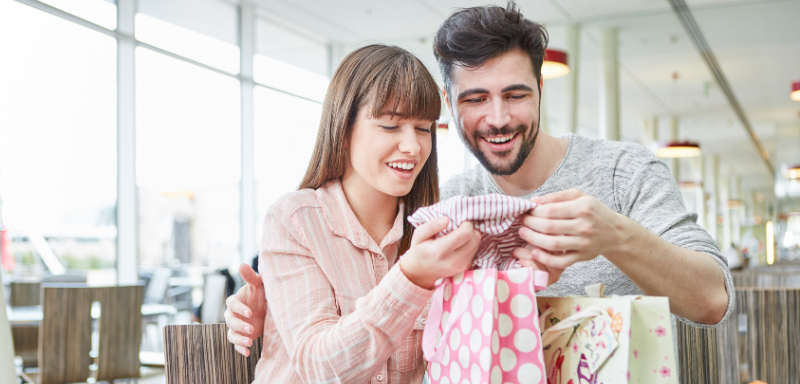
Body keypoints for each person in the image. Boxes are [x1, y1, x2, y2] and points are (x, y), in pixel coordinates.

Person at [226, 1, 733, 361]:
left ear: (540, 89)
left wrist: (616, 236)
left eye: (515, 94)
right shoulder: (448, 206)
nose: (497, 118)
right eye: (475, 99)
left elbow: (713, 302)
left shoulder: (623, 172)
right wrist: (272, 314)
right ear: (449, 106)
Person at [231, 44, 482, 383]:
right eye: (391, 126)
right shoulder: (295, 220)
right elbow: (320, 367)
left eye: (423, 128)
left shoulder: (436, 232)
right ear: (344, 130)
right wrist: (410, 279)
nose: (413, 146)